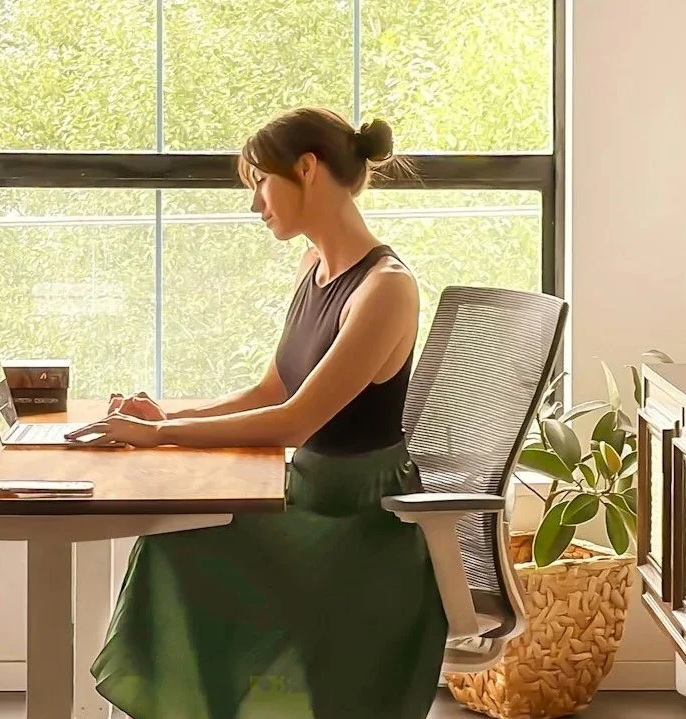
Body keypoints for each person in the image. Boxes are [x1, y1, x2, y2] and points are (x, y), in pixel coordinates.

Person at [70, 107, 447, 719]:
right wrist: (168, 416)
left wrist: (159, 436)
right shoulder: (315, 267)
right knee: (169, 536)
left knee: (174, 549)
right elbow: (272, 387)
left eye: (260, 184)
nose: (256, 205)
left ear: (307, 169)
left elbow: (294, 421)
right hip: (306, 499)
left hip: (358, 524)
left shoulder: (386, 288)